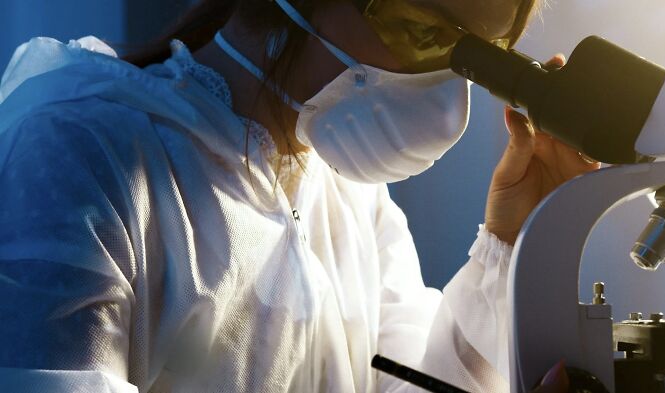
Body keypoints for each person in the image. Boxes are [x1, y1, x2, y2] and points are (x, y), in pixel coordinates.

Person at [0, 0, 599, 391]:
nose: (444, 92)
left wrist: (509, 241)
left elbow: (416, 383)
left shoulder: (351, 195)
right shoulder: (80, 153)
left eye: (476, 62)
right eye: (424, 32)